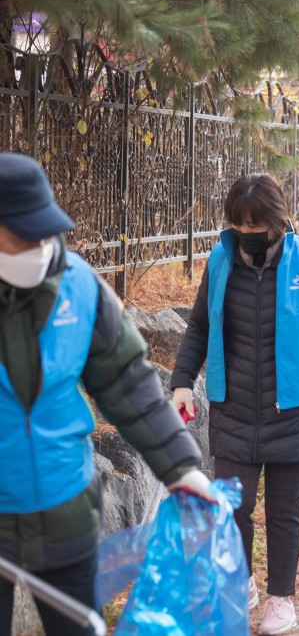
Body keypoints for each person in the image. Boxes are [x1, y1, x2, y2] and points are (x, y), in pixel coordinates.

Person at [0, 153, 210, 636]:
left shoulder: (79, 288)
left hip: (64, 507)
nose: (40, 244)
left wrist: (182, 468)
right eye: (24, 234)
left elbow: (129, 385)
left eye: (45, 230)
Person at [171, 174, 299, 635]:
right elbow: (200, 327)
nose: (248, 233)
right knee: (234, 508)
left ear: (278, 220)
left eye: (257, 224)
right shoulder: (221, 262)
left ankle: (280, 599)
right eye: (239, 224)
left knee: (284, 514)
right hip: (234, 406)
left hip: (297, 408)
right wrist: (182, 380)